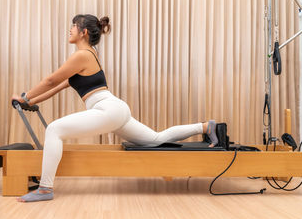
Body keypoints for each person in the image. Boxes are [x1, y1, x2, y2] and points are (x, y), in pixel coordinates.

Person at [11, 14, 219, 202]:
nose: (70, 29)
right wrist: (28, 101)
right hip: (115, 110)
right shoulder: (89, 55)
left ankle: (45, 189)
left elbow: (50, 80)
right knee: (156, 139)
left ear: (83, 32)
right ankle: (204, 127)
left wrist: (25, 96)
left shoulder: (82, 55)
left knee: (54, 130)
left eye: (73, 26)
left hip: (107, 110)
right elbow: (56, 87)